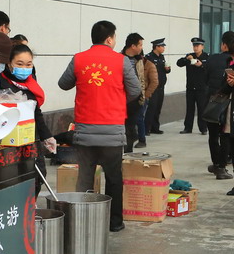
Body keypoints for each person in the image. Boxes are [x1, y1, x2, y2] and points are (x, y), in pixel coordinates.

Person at [58, 20, 140, 232]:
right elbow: (135, 90)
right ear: (110, 39)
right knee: (114, 178)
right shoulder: (121, 61)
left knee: (85, 178)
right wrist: (116, 99)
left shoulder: (79, 59)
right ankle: (115, 223)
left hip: (85, 131)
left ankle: (82, 222)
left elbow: (63, 84)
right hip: (112, 131)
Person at [0, 44, 56, 195]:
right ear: (9, 63)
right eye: (20, 64)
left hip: (31, 139)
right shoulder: (0, 83)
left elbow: (36, 112)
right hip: (9, 143)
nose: (24, 68)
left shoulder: (31, 83)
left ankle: (31, 205)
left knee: (38, 177)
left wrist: (47, 137)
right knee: (14, 181)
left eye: (28, 64)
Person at [205, 30, 234, 180]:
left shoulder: (212, 59)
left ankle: (218, 164)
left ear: (224, 45)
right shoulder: (228, 61)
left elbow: (205, 78)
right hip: (225, 102)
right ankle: (220, 166)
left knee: (216, 134)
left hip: (216, 101)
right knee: (224, 135)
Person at [121, 33, 158, 152]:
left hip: (136, 100)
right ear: (133, 46)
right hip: (121, 100)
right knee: (122, 129)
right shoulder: (119, 59)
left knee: (132, 128)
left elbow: (142, 80)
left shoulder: (140, 60)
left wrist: (143, 96)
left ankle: (129, 152)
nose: (142, 47)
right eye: (140, 45)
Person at [177, 37, 209, 135]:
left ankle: (203, 128)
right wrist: (186, 59)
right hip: (190, 87)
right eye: (194, 46)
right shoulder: (190, 56)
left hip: (201, 88)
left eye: (197, 46)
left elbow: (210, 68)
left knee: (202, 109)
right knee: (190, 109)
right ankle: (188, 128)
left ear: (202, 46)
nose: (195, 48)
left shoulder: (207, 57)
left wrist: (202, 65)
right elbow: (179, 63)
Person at [144, 38, 170, 135]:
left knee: (157, 108)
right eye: (162, 46)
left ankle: (155, 128)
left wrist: (167, 69)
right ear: (157, 47)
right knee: (151, 108)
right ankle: (146, 128)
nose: (163, 48)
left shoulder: (162, 57)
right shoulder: (149, 57)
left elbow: (164, 70)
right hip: (152, 87)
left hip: (161, 87)